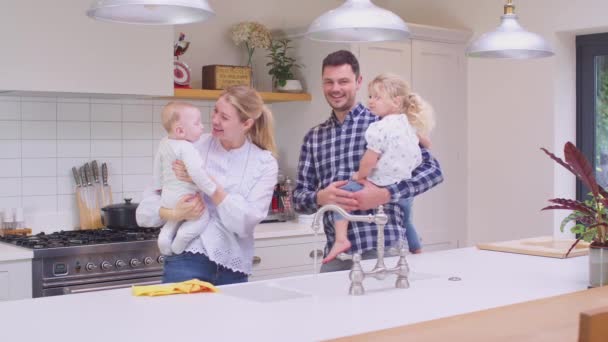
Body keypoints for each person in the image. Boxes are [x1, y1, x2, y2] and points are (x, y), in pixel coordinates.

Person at [293, 50, 444, 273]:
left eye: (343, 81)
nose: (336, 88)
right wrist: (320, 197)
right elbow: (298, 200)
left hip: (384, 249)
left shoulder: (385, 123)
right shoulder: (314, 137)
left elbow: (433, 171)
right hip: (337, 256)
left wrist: (387, 194)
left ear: (358, 82)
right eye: (329, 82)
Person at [136, 85, 278, 285]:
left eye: (225, 117)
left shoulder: (264, 163)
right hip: (185, 261)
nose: (215, 120)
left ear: (246, 123)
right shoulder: (189, 145)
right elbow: (147, 207)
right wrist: (173, 214)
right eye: (215, 111)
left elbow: (245, 223)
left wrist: (204, 181)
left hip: (232, 269)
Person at [323, 73, 436, 263]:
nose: (371, 102)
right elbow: (427, 143)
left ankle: (341, 240)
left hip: (378, 183)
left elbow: (370, 160)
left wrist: (359, 175)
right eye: (370, 96)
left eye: (377, 97)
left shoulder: (378, 128)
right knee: (407, 221)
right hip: (401, 189)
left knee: (339, 198)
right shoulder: (409, 124)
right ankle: (417, 250)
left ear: (396, 101)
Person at [153, 102, 219, 256]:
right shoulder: (187, 148)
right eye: (197, 123)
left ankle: (164, 238)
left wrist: (158, 185)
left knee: (174, 219)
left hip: (168, 197)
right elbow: (196, 172)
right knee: (201, 219)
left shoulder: (164, 143)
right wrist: (211, 189)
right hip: (187, 197)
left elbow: (157, 165)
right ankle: (179, 243)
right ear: (180, 130)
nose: (202, 127)